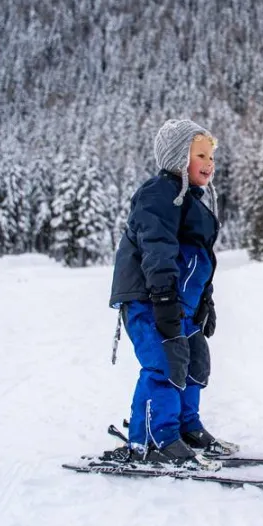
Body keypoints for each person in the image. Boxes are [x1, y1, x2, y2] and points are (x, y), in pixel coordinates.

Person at [105, 118, 236, 470]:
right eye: (201, 155)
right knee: (163, 364)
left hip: (183, 305)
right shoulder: (159, 195)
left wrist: (205, 301)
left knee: (193, 364)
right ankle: (152, 439)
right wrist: (162, 298)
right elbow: (157, 248)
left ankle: (185, 428)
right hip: (152, 301)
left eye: (211, 156)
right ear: (179, 157)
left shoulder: (192, 202)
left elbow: (199, 258)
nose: (209, 163)